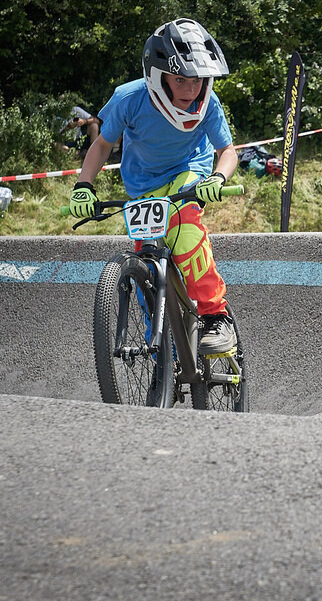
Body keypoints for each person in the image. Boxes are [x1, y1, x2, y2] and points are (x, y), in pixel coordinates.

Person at [68, 18, 239, 355]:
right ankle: (161, 351)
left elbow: (227, 152)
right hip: (142, 184)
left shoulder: (210, 104)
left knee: (185, 226)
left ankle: (215, 316)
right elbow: (102, 145)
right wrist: (84, 186)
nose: (191, 90)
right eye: (180, 80)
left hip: (189, 170)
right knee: (146, 262)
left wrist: (217, 178)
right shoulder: (128, 98)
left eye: (198, 80)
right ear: (158, 77)